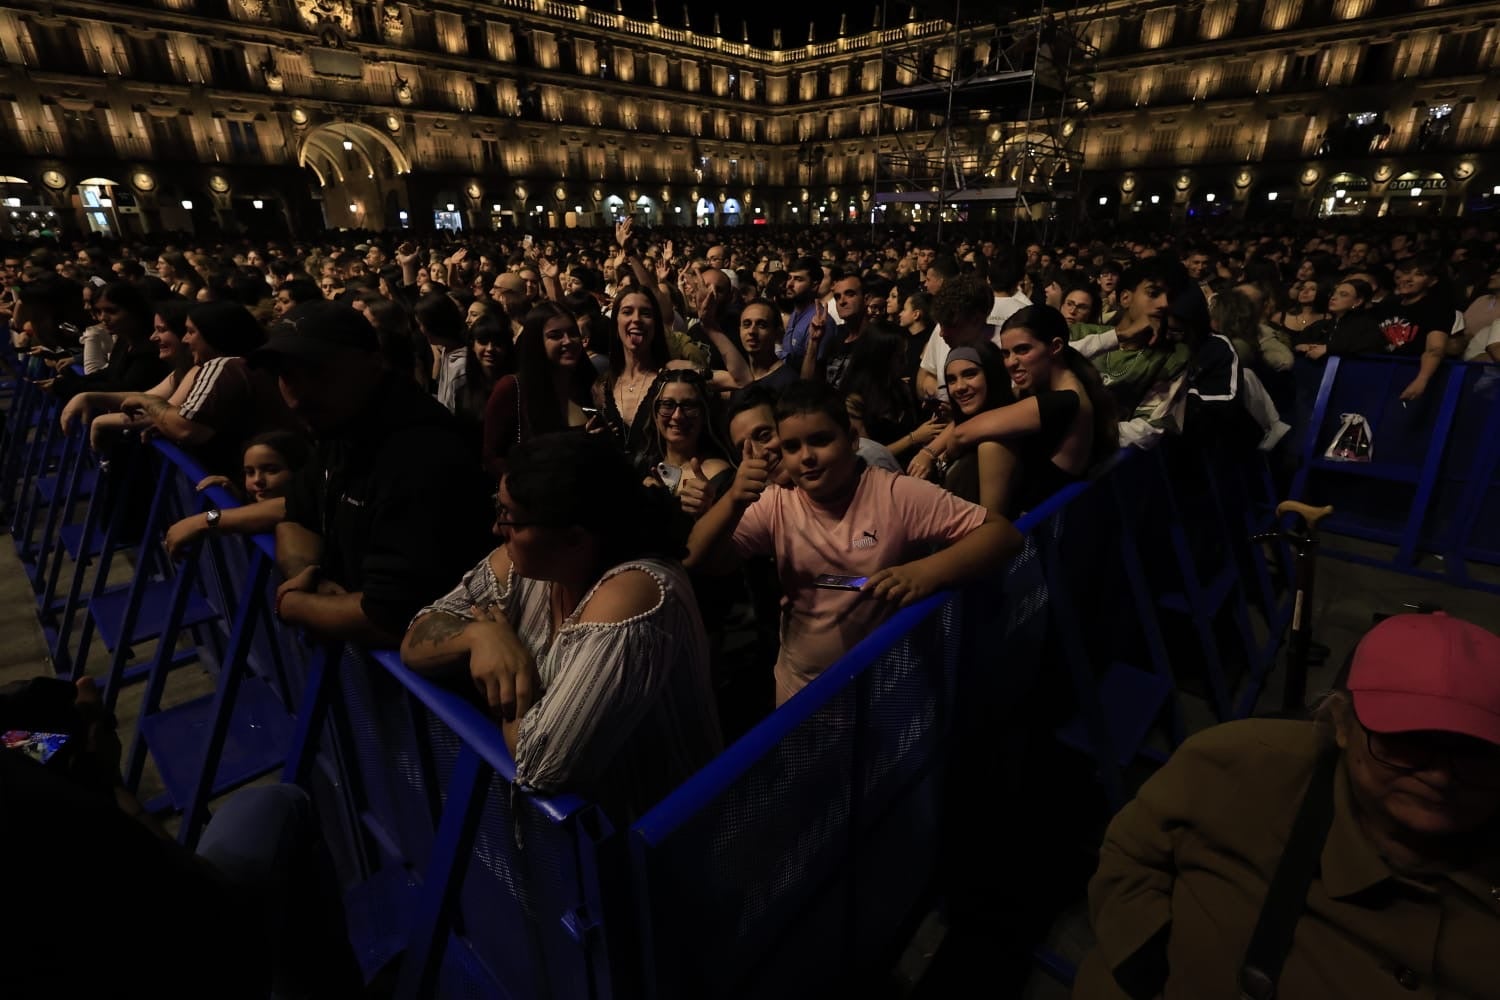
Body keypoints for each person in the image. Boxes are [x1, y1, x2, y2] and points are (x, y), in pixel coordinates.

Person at [1079, 612, 1500, 999]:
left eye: (1475, 751)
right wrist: (1143, 966)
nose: (1440, 776)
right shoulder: (1239, 766)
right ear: (1341, 723)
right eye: (1407, 740)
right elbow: (1132, 848)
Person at [400, 432, 723, 823]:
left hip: (659, 837)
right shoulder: (530, 562)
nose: (497, 528)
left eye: (510, 517)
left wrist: (514, 676)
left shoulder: (635, 591)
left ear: (574, 538)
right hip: (586, 838)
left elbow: (540, 765)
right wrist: (480, 636)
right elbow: (415, 638)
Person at [686, 380, 1021, 705]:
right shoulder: (777, 501)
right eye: (792, 447)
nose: (806, 457)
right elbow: (697, 559)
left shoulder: (894, 494)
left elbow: (1003, 534)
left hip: (887, 686)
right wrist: (732, 500)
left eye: (820, 440)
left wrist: (927, 572)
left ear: (851, 439)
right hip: (804, 691)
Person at [253, 301, 493, 646]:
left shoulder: (423, 456)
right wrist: (307, 577)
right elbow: (296, 515)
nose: (297, 396)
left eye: (317, 371)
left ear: (373, 363)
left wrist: (293, 604)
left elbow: (390, 617)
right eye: (286, 375)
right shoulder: (339, 423)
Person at [911, 306, 1118, 516]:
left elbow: (962, 433)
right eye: (1006, 353)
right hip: (1032, 515)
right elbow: (981, 416)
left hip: (1037, 525)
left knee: (990, 446)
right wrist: (928, 452)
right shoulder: (1045, 389)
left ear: (1055, 347)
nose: (1010, 362)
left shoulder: (1065, 400)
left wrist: (943, 458)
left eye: (1022, 350)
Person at [116, 300, 295, 478]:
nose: (185, 339)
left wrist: (148, 402)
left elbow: (186, 428)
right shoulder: (251, 365)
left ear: (214, 334)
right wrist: (165, 425)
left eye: (191, 332)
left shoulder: (224, 366)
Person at [481, 303, 598, 480]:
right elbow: (492, 456)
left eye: (573, 333)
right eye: (555, 336)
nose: (568, 341)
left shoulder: (588, 384)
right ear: (536, 341)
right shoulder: (512, 388)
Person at [161, 430, 311, 560]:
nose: (257, 480)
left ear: (299, 472)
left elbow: (282, 507)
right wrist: (236, 501)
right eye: (249, 472)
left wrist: (202, 520)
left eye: (272, 470)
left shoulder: (307, 503)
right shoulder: (249, 499)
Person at [635, 369, 735, 519]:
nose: (677, 416)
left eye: (689, 406)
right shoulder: (644, 468)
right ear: (655, 415)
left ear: (704, 415)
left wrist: (709, 510)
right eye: (668, 405)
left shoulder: (720, 474)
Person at [934, 344, 1017, 517]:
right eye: (951, 380)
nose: (959, 387)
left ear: (992, 375)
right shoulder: (966, 430)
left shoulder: (992, 445)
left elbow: (993, 525)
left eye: (970, 374)